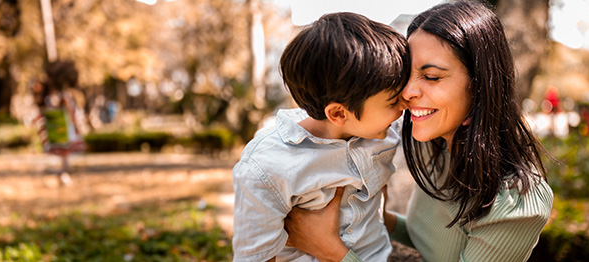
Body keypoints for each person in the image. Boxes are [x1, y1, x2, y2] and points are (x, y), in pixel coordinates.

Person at [283, 1, 553, 261]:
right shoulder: (433, 144)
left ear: (480, 86)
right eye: (405, 74)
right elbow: (431, 241)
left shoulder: (517, 202)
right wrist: (371, 217)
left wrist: (330, 251)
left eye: (432, 77)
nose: (407, 92)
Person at [231, 12, 410, 262]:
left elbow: (377, 214)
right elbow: (256, 257)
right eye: (393, 100)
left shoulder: (381, 133)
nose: (404, 104)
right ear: (338, 113)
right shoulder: (269, 167)